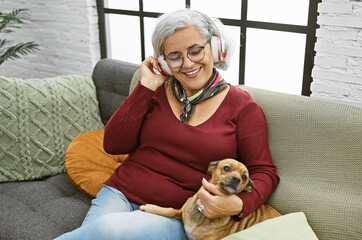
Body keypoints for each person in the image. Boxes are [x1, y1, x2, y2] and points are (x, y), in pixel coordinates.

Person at [55, 9, 279, 240]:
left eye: (195, 51)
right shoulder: (155, 91)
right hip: (119, 193)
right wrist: (146, 87)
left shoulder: (242, 106)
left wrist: (239, 204)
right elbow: (113, 144)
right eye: (174, 56)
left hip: (176, 214)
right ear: (163, 61)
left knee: (107, 231)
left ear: (216, 47)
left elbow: (265, 171)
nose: (187, 63)